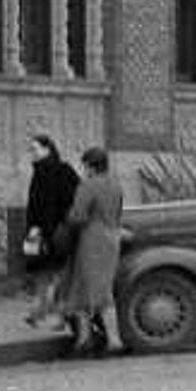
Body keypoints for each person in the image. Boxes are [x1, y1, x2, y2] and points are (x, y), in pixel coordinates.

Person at [61, 145, 128, 355]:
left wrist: (66, 220)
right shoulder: (116, 185)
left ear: (90, 166)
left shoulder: (88, 186)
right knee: (87, 287)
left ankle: (111, 341)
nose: (83, 169)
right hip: (111, 238)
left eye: (84, 165)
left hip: (91, 240)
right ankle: (84, 339)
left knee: (95, 290)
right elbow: (117, 214)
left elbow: (78, 215)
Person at [17, 134, 77, 328]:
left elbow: (74, 200)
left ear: (47, 149)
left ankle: (53, 314)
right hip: (47, 233)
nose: (32, 154)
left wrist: (43, 226)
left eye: (35, 149)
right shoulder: (44, 171)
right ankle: (40, 312)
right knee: (46, 274)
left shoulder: (59, 170)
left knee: (55, 275)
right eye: (31, 150)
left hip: (56, 233)